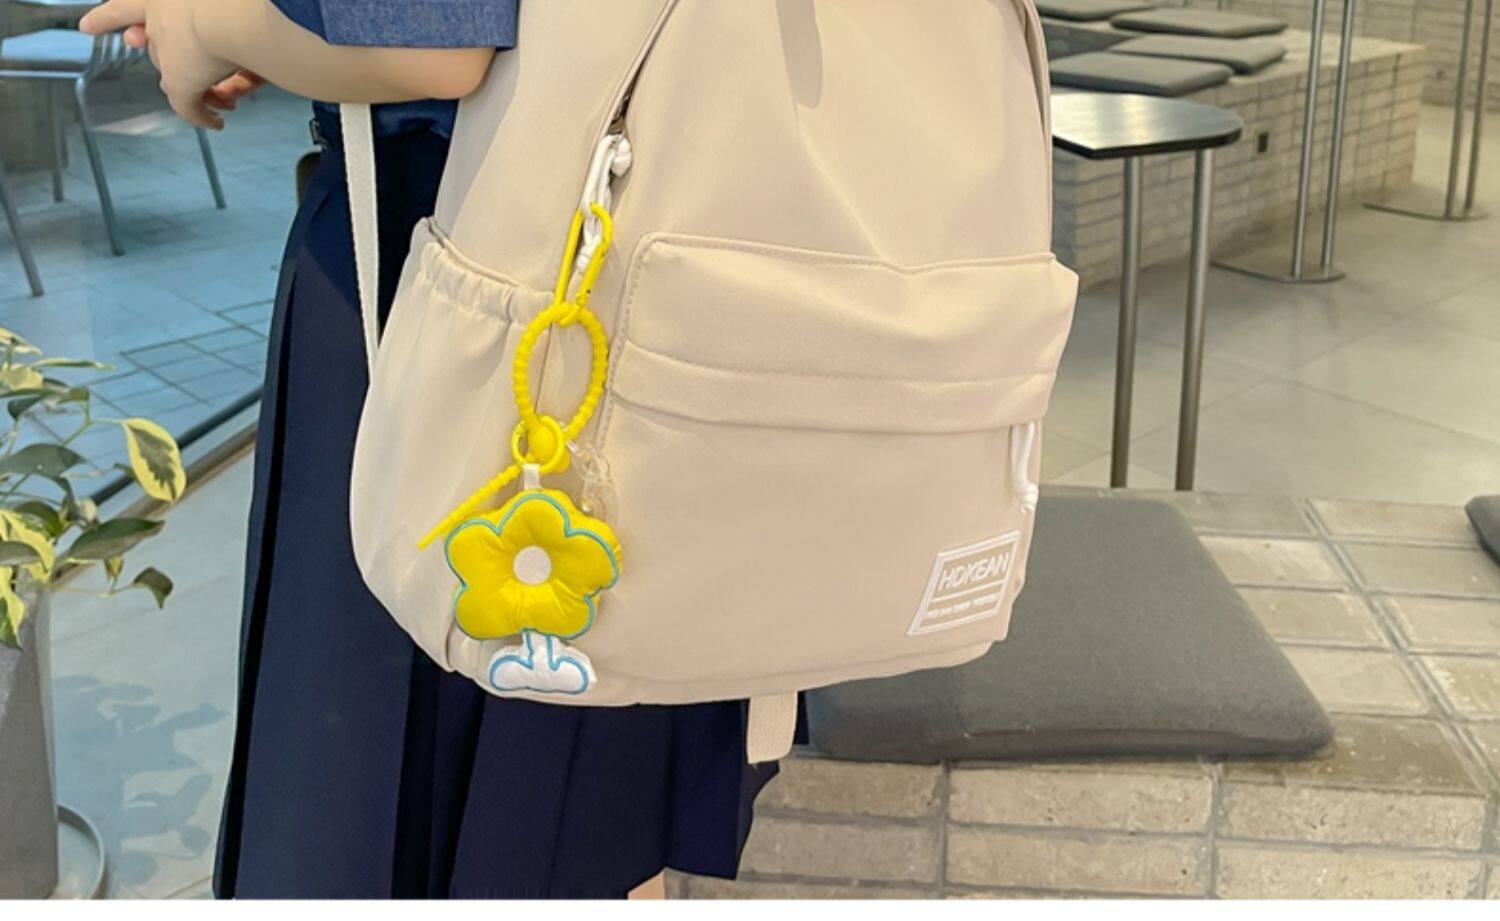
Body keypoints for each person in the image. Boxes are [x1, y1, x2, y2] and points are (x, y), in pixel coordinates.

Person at [81, 0, 777, 899]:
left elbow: (437, 40)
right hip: (669, 251)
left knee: (382, 811)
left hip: (456, 273)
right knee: (590, 804)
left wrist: (207, 28)